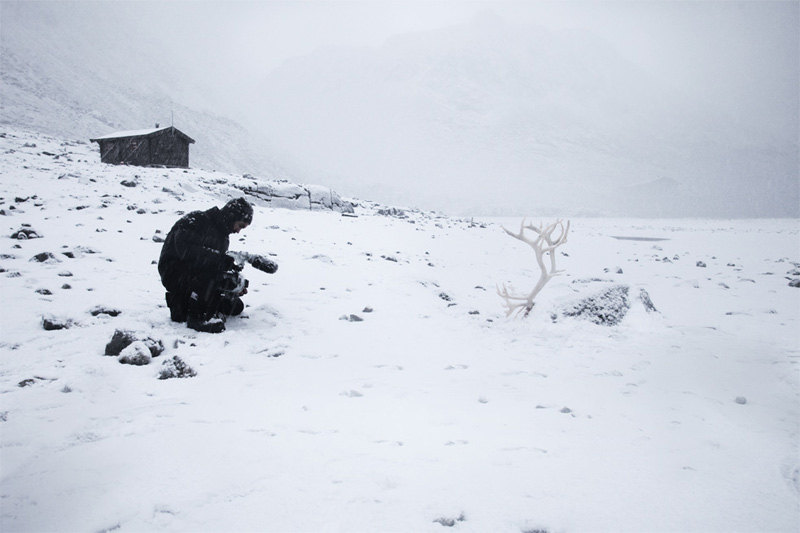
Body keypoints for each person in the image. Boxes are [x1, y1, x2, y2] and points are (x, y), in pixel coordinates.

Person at [158, 197, 254, 333]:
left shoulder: (223, 237)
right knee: (212, 269)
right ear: (232, 216)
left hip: (197, 276)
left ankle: (193, 305)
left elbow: (217, 261)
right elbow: (185, 250)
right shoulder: (197, 220)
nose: (238, 231)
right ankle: (198, 318)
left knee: (235, 306)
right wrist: (221, 260)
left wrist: (232, 284)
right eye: (240, 225)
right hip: (175, 273)